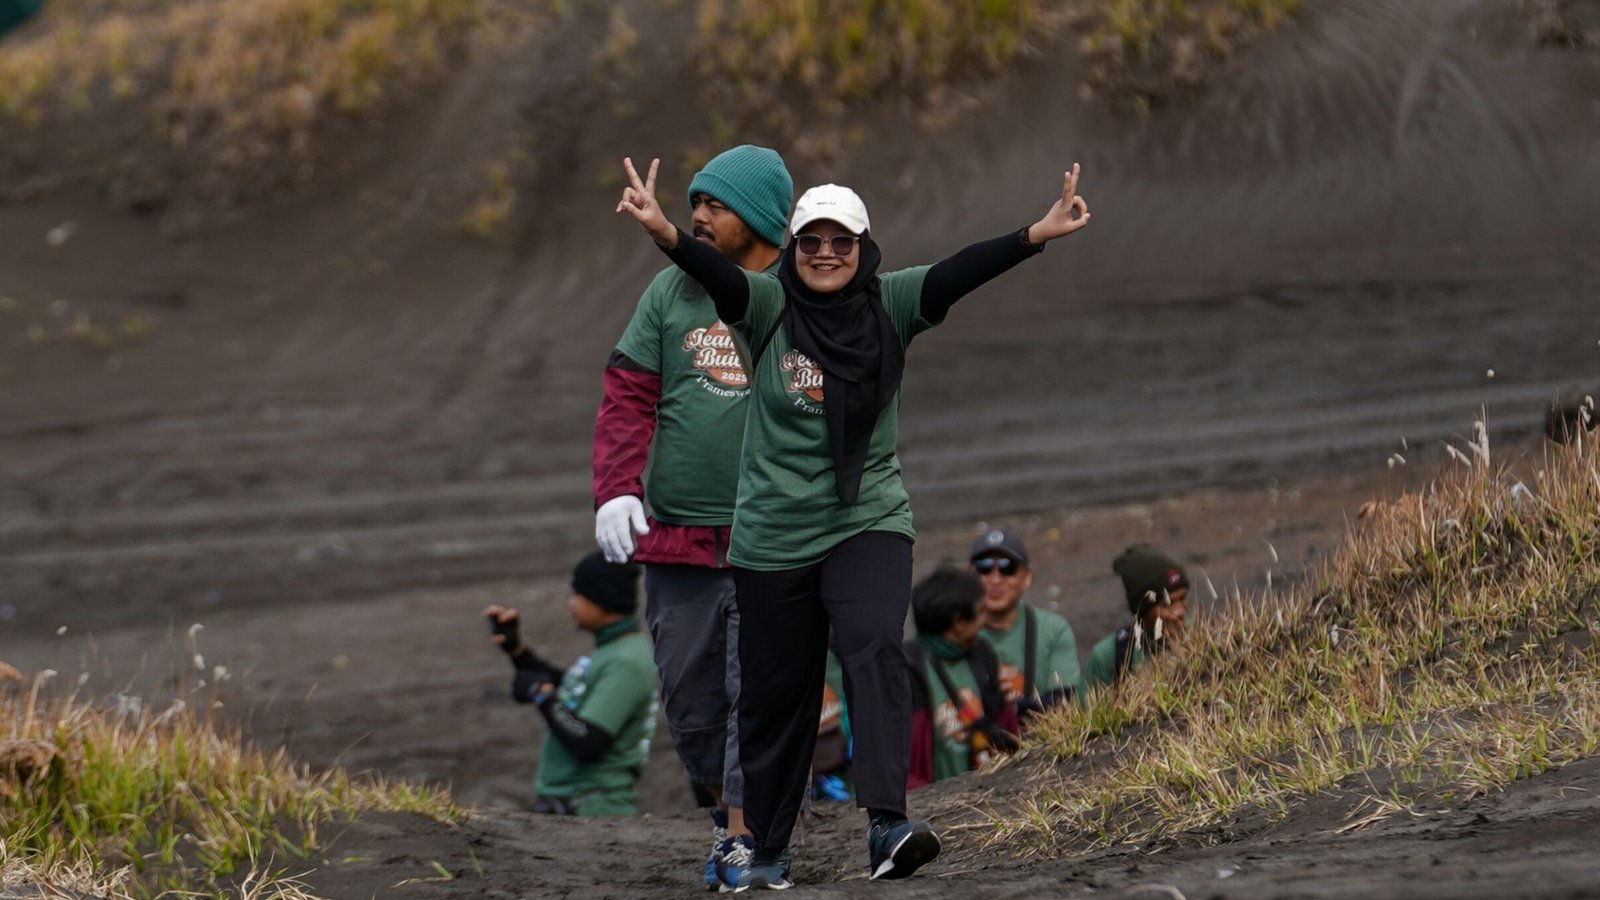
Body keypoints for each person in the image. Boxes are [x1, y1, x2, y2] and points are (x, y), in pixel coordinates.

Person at [615, 155, 1092, 889]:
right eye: (812, 242)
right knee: (779, 692)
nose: (827, 254)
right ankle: (764, 849)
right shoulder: (767, 307)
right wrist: (665, 232)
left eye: (842, 241)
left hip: (865, 516)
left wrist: (1037, 233)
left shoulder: (891, 304)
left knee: (872, 647)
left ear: (863, 248)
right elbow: (718, 277)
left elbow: (959, 273)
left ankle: (886, 823)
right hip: (772, 533)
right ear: (794, 247)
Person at [592, 144, 793, 888]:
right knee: (692, 699)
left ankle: (750, 838)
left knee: (759, 692)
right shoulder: (668, 294)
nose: (699, 215)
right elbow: (627, 393)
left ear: (764, 217)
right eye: (696, 202)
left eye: (716, 204)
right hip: (677, 544)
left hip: (771, 540)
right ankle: (729, 826)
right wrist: (617, 489)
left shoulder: (800, 289)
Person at [483, 551, 657, 817]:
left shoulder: (626, 662)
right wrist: (518, 652)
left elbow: (588, 739)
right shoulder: (613, 650)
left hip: (596, 812)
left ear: (602, 599)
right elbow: (571, 689)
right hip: (582, 808)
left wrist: (542, 696)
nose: (570, 604)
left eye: (578, 595)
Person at [905, 567, 1020, 787]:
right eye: (981, 612)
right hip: (931, 804)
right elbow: (901, 762)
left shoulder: (982, 653)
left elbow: (1003, 726)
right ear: (959, 623)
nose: (984, 619)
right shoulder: (907, 669)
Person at [969, 529, 1083, 720]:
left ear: (1027, 577)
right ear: (970, 574)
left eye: (1008, 569)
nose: (995, 579)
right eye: (984, 568)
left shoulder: (1053, 629)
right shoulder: (954, 631)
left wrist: (1007, 706)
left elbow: (1064, 701)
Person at [1082, 544, 1190, 691]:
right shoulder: (1110, 657)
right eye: (1167, 604)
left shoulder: (1207, 640)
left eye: (1182, 598)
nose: (1178, 611)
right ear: (1142, 611)